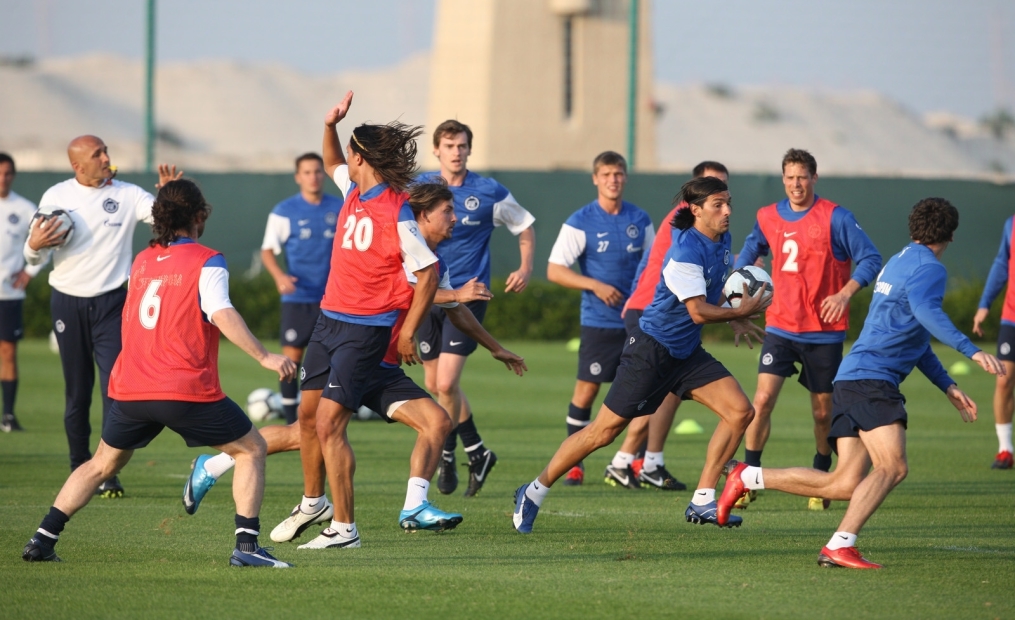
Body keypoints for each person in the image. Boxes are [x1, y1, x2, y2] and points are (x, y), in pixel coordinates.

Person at [181, 178, 527, 544]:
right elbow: (413, 290)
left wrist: (494, 347)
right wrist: (454, 294)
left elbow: (455, 310)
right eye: (448, 211)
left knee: (437, 422)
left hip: (381, 367)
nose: (456, 218)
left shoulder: (435, 261)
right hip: (355, 352)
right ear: (423, 216)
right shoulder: (402, 250)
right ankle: (331, 519)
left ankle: (412, 507)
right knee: (312, 432)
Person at [22, 179, 297, 567]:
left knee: (101, 463)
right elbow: (221, 311)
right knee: (251, 448)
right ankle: (247, 548)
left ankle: (41, 539)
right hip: (182, 388)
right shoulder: (207, 259)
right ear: (199, 216)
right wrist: (264, 356)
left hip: (131, 388)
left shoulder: (144, 260)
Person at [718, 197, 1005, 569]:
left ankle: (748, 475)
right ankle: (840, 544)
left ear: (913, 228)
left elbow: (913, 338)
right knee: (893, 467)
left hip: (852, 379)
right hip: (872, 382)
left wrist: (947, 385)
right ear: (950, 234)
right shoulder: (930, 270)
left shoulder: (900, 260)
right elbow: (926, 313)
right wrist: (971, 350)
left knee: (845, 483)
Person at [512, 176, 770, 534]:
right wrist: (737, 313)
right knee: (602, 433)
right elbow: (697, 311)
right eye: (718, 205)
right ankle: (534, 491)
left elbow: (711, 299)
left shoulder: (722, 239)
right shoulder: (686, 251)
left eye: (729, 203)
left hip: (686, 352)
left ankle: (702, 500)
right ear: (695, 211)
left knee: (740, 411)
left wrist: (732, 315)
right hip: (651, 351)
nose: (727, 211)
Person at [23, 136, 182, 498]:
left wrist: (170, 197)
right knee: (77, 393)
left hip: (113, 304)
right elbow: (32, 256)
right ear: (78, 166)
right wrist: (33, 246)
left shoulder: (127, 194)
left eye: (106, 151)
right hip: (67, 302)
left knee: (116, 388)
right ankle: (79, 466)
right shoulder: (56, 196)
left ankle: (108, 470)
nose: (107, 158)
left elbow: (165, 220)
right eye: (98, 155)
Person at [733, 148, 881, 510]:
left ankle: (821, 474)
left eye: (802, 177)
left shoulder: (836, 217)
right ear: (782, 179)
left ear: (814, 178)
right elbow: (749, 250)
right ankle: (749, 476)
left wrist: (846, 293)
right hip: (780, 327)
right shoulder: (767, 216)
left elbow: (872, 257)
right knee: (763, 400)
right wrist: (738, 292)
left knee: (821, 413)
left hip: (824, 332)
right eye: (789, 178)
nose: (795, 184)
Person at [417, 120, 536, 497]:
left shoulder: (489, 191)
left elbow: (525, 226)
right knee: (434, 385)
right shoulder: (420, 188)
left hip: (467, 296)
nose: (456, 152)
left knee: (447, 384)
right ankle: (477, 450)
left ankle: (449, 451)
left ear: (469, 149)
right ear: (436, 150)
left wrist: (525, 267)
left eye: (462, 146)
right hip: (427, 293)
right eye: (449, 145)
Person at [613, 160, 730, 490]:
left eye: (725, 194)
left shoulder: (719, 234)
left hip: (670, 317)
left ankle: (638, 462)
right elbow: (695, 303)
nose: (723, 204)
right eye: (713, 193)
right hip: (652, 313)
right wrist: (738, 310)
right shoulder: (686, 230)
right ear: (695, 202)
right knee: (646, 401)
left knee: (665, 394)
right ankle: (630, 460)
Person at [546, 151, 654, 488]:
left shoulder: (640, 218)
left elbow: (653, 266)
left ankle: (633, 461)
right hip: (599, 321)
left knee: (647, 390)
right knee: (587, 391)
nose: (613, 179)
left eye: (619, 173)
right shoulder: (581, 221)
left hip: (637, 321)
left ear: (625, 177)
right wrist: (594, 284)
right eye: (606, 174)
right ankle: (575, 463)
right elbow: (555, 270)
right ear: (595, 178)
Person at [261, 152, 343, 423]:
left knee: (335, 358)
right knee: (292, 359)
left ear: (324, 174)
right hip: (299, 297)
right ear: (298, 177)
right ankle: (289, 420)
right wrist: (279, 277)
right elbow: (268, 251)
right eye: (307, 172)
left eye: (318, 171)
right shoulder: (285, 211)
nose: (313, 177)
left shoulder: (339, 207)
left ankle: (327, 416)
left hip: (334, 296)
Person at [0, 153, 46, 432]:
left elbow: (47, 245)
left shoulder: (26, 208)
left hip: (8, 294)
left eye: (7, 173)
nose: (2, 179)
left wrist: (30, 272)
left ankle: (8, 415)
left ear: (13, 175)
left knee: (7, 352)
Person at [972, 216, 1015, 470]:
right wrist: (984, 304)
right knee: (1004, 379)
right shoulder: (1011, 224)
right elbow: (1002, 265)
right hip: (1012, 317)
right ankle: (1005, 449)